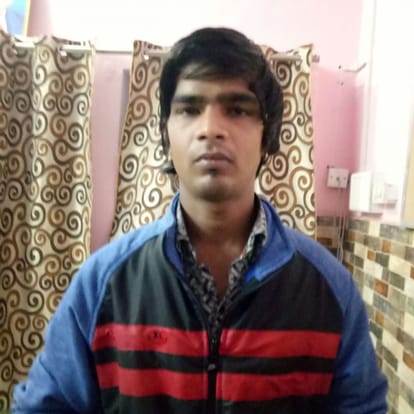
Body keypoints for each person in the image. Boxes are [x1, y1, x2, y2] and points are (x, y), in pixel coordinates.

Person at [12, 27, 387, 413]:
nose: (210, 129)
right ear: (166, 133)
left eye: (237, 109)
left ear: (267, 135)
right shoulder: (101, 282)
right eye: (189, 109)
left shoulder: (329, 288)